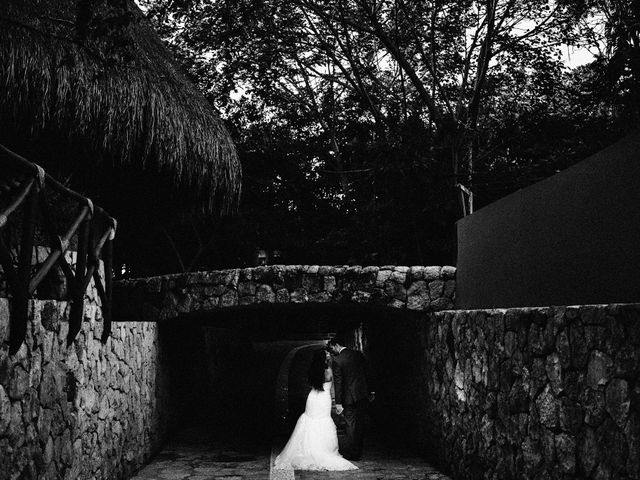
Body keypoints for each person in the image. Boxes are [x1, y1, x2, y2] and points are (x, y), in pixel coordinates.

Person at [274, 349, 358, 471]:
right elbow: (333, 384)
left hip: (313, 398)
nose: (329, 355)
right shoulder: (328, 371)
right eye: (326, 354)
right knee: (322, 421)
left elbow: (312, 383)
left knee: (310, 421)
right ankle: (322, 450)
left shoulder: (312, 370)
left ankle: (307, 450)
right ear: (323, 358)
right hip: (324, 399)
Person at [327, 336, 375, 461]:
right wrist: (372, 390)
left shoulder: (338, 360)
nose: (332, 351)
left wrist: (338, 403)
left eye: (332, 348)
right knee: (360, 423)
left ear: (336, 345)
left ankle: (353, 453)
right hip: (362, 395)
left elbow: (338, 383)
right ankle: (358, 449)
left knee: (350, 424)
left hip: (348, 398)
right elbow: (368, 373)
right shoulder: (358, 355)